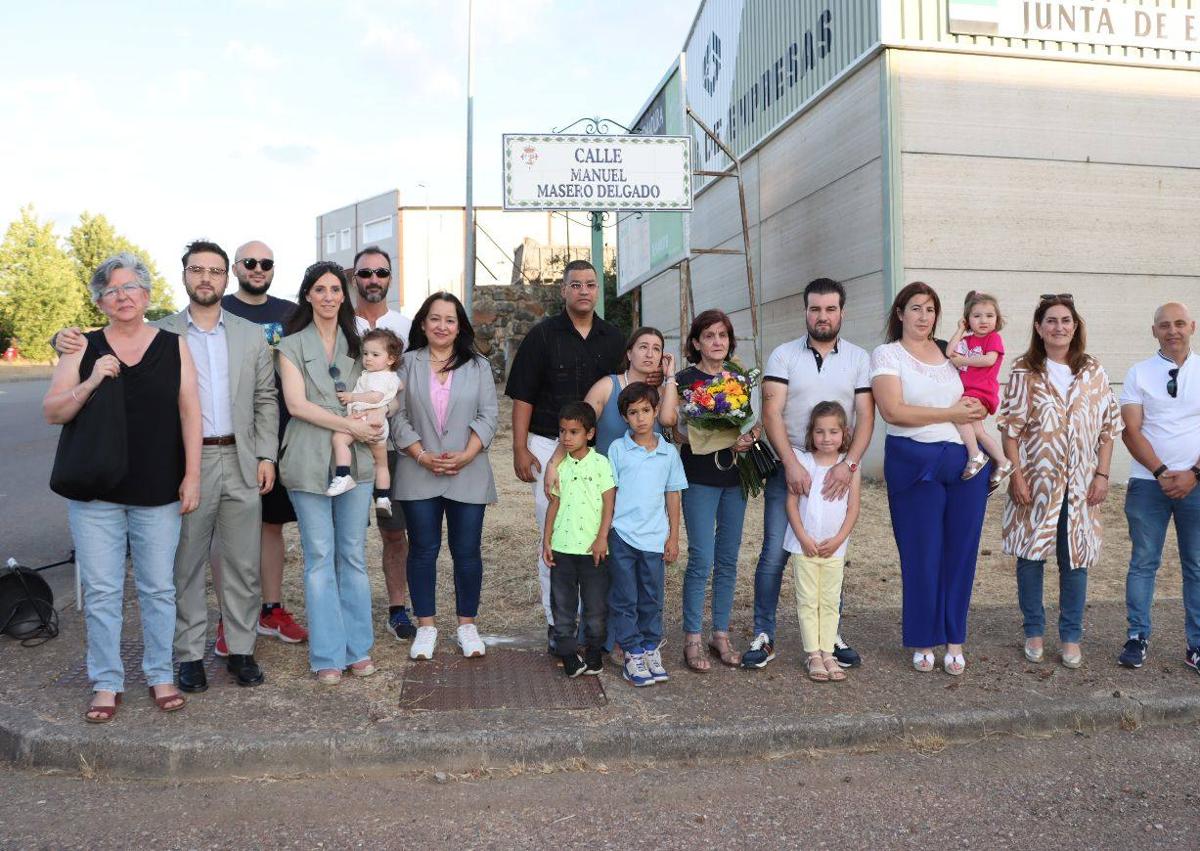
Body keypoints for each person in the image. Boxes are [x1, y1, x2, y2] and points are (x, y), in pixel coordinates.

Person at [42, 253, 201, 722]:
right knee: (102, 590)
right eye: (111, 291)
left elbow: (190, 411)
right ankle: (106, 681)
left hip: (158, 488)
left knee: (157, 589)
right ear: (99, 302)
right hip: (95, 493)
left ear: (148, 295)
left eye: (130, 287)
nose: (122, 296)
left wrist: (192, 475)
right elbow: (54, 411)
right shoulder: (80, 346)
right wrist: (91, 379)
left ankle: (159, 674)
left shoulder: (174, 345)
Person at [162, 240, 279, 691]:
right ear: (185, 275)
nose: (206, 278)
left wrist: (266, 453)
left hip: (243, 458)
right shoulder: (163, 333)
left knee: (243, 563)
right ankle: (190, 655)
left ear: (227, 277)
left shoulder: (250, 335)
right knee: (187, 562)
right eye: (197, 270)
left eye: (215, 270)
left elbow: (266, 398)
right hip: (189, 463)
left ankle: (241, 648)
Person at [744, 278, 874, 671]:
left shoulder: (858, 358)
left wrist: (847, 465)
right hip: (793, 464)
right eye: (815, 309)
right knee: (773, 556)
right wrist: (791, 463)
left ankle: (828, 635)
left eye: (830, 309)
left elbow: (866, 416)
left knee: (830, 553)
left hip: (837, 469)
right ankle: (764, 634)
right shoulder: (784, 355)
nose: (823, 316)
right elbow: (771, 413)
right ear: (805, 311)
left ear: (842, 313)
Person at [505, 259, 626, 651]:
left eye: (591, 284)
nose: (584, 291)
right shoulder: (542, 336)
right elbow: (522, 395)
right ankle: (559, 628)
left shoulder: (614, 338)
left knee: (596, 535)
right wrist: (520, 449)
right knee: (556, 537)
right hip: (546, 445)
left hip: (596, 452)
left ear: (598, 291)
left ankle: (595, 629)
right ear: (564, 291)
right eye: (576, 285)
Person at [870, 281, 989, 676]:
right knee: (922, 554)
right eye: (916, 308)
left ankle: (955, 637)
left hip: (963, 462)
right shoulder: (887, 354)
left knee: (961, 552)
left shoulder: (948, 351)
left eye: (931, 309)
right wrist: (951, 414)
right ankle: (923, 637)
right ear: (900, 313)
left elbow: (979, 384)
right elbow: (894, 411)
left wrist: (972, 410)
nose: (924, 316)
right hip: (913, 461)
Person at [997, 294, 1120, 669]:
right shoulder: (1024, 371)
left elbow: (1108, 427)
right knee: (1031, 558)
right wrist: (1016, 475)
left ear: (1075, 325)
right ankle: (1034, 630)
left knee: (1075, 560)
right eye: (1051, 321)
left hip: (1082, 484)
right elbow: (1010, 430)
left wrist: (1102, 474)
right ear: (1038, 327)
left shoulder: (1092, 370)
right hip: (1036, 482)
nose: (1059, 327)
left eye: (1066, 320)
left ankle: (1071, 636)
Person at [277, 261, 380, 685]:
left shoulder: (359, 346)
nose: (328, 297)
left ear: (344, 295)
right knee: (319, 557)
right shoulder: (290, 346)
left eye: (335, 289)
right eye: (319, 289)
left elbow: (383, 389)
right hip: (307, 457)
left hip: (356, 458)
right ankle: (327, 655)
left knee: (352, 555)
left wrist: (375, 414)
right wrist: (350, 426)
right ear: (307, 295)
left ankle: (359, 648)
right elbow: (297, 405)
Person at [391, 292, 499, 662]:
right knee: (422, 550)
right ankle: (426, 626)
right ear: (422, 323)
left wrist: (467, 454)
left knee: (467, 551)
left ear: (459, 326)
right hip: (417, 470)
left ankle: (467, 625)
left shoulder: (479, 366)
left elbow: (488, 416)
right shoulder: (405, 364)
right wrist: (421, 454)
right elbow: (396, 416)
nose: (442, 326)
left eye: (449, 320)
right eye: (434, 319)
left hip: (467, 471)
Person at [221, 240, 309, 649]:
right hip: (231, 435)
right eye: (250, 263)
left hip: (282, 436)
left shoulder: (289, 314)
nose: (258, 269)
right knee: (232, 529)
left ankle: (271, 610)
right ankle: (232, 617)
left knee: (271, 525)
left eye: (266, 263)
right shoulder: (218, 310)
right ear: (236, 268)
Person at [658, 309, 756, 671]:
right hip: (699, 475)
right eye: (709, 335)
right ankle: (692, 639)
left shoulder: (740, 376)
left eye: (723, 335)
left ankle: (720, 634)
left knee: (729, 558)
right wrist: (707, 437)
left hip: (735, 477)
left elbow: (752, 418)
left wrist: (747, 436)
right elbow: (672, 429)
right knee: (702, 558)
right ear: (696, 342)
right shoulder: (683, 380)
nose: (717, 341)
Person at [1117, 302, 1200, 672]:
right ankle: (1137, 636)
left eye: (1179, 323)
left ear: (1192, 327)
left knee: (1196, 566)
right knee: (1143, 563)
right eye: (1164, 325)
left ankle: (1195, 646)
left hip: (1197, 485)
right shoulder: (1138, 373)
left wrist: (1194, 474)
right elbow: (1130, 430)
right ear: (1154, 331)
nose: (1173, 330)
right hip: (1148, 484)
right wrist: (1163, 471)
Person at [351, 246, 418, 642]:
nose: (373, 279)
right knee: (346, 535)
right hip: (344, 440)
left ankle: (397, 608)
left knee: (394, 532)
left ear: (390, 277)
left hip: (388, 446)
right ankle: (350, 610)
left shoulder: (406, 328)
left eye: (381, 272)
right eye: (365, 273)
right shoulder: (342, 323)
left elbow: (406, 388)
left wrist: (387, 409)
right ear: (354, 278)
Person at [606, 382, 687, 687]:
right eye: (633, 412)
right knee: (625, 596)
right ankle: (632, 652)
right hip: (623, 535)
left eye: (646, 410)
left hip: (655, 538)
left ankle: (651, 647)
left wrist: (674, 537)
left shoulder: (668, 454)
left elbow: (673, 496)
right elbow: (610, 492)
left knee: (651, 597)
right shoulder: (617, 449)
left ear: (656, 412)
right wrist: (607, 530)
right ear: (625, 418)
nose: (640, 417)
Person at [783, 401, 861, 682]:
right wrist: (803, 537)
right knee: (807, 601)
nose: (826, 438)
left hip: (834, 549)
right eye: (820, 432)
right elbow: (791, 504)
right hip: (805, 547)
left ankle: (828, 652)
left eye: (833, 432)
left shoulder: (849, 467)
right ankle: (813, 654)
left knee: (829, 601)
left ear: (844, 433)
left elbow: (853, 509)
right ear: (811, 433)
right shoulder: (802, 462)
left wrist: (839, 539)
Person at [541, 402, 615, 677]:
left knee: (595, 608)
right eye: (562, 432)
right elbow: (554, 504)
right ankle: (569, 654)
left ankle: (594, 653)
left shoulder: (601, 464)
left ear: (590, 434)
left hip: (592, 550)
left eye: (574, 432)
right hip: (562, 549)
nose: (567, 438)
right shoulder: (559, 466)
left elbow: (609, 503)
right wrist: (547, 540)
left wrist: (601, 539)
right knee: (563, 608)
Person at [326, 328, 404, 518]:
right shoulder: (391, 376)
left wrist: (351, 396)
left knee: (339, 440)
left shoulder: (378, 376)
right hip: (379, 425)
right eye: (366, 353)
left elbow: (375, 396)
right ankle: (384, 498)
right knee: (381, 464)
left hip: (364, 419)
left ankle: (343, 474)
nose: (368, 358)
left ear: (391, 359)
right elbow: (399, 387)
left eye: (375, 354)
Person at [946, 291, 1013, 487]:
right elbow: (950, 352)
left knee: (958, 415)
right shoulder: (966, 341)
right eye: (976, 316)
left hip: (981, 391)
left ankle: (975, 455)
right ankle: (1002, 461)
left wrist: (963, 361)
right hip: (969, 391)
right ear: (967, 320)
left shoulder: (993, 338)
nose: (983, 320)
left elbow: (989, 359)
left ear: (997, 319)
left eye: (989, 316)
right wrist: (960, 330)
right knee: (978, 432)